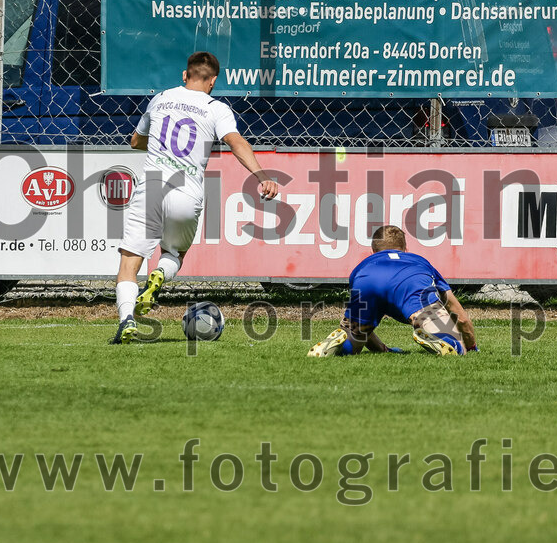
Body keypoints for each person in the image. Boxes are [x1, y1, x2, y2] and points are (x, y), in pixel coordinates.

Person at [111, 52, 279, 344]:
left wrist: (161, 146)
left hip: (151, 185)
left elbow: (136, 141)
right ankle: (161, 274)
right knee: (175, 253)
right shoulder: (217, 108)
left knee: (130, 262)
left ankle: (127, 320)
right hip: (187, 190)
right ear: (213, 81)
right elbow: (235, 141)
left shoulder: (160, 98)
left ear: (185, 75)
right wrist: (261, 175)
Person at [309, 225, 478, 357]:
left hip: (369, 280)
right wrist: (471, 346)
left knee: (356, 334)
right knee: (457, 346)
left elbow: (366, 328)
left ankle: (339, 344)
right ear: (405, 248)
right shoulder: (420, 261)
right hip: (411, 284)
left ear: (373, 251)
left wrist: (383, 350)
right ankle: (442, 338)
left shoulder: (362, 267)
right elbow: (460, 317)